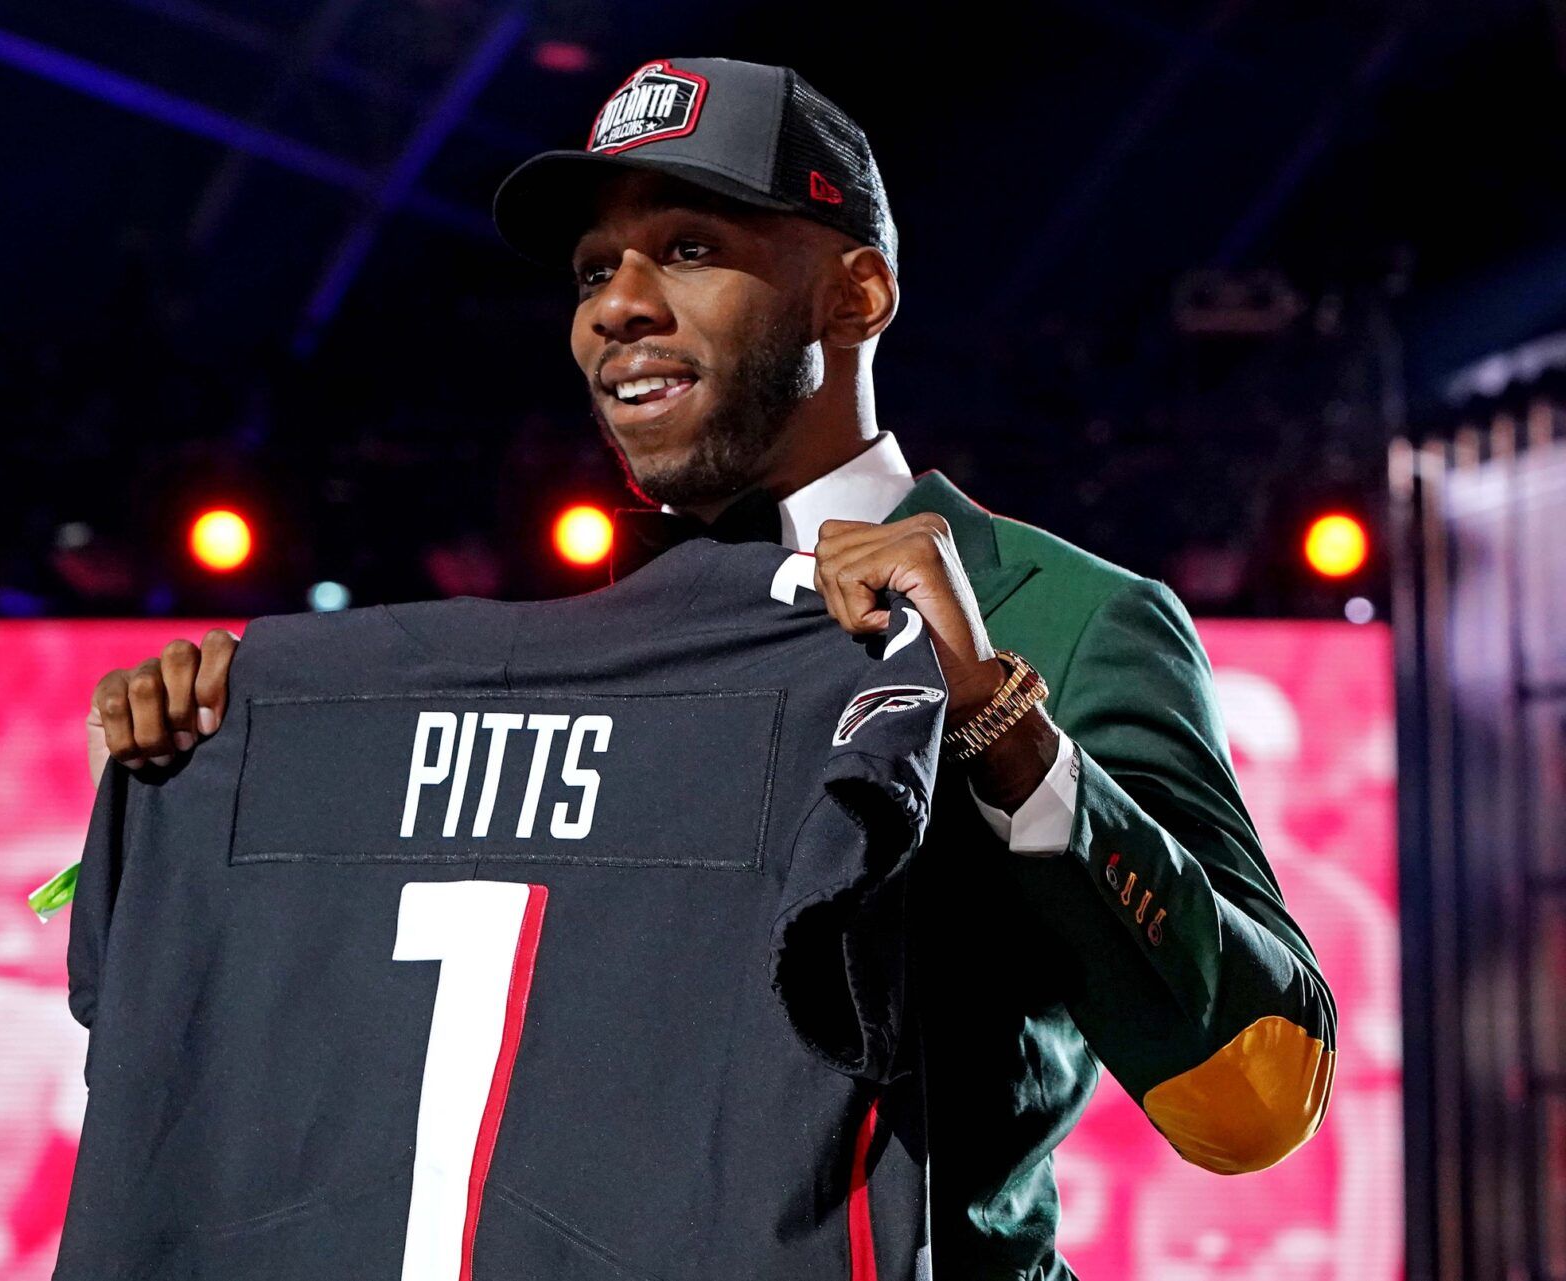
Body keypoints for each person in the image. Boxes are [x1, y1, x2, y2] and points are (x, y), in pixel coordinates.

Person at [84, 57, 1335, 1279]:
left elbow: (1258, 1099)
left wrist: (997, 720)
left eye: (685, 248)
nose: (614, 306)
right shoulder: (588, 660)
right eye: (590, 272)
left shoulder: (1065, 619)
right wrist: (202, 769)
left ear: (855, 296)